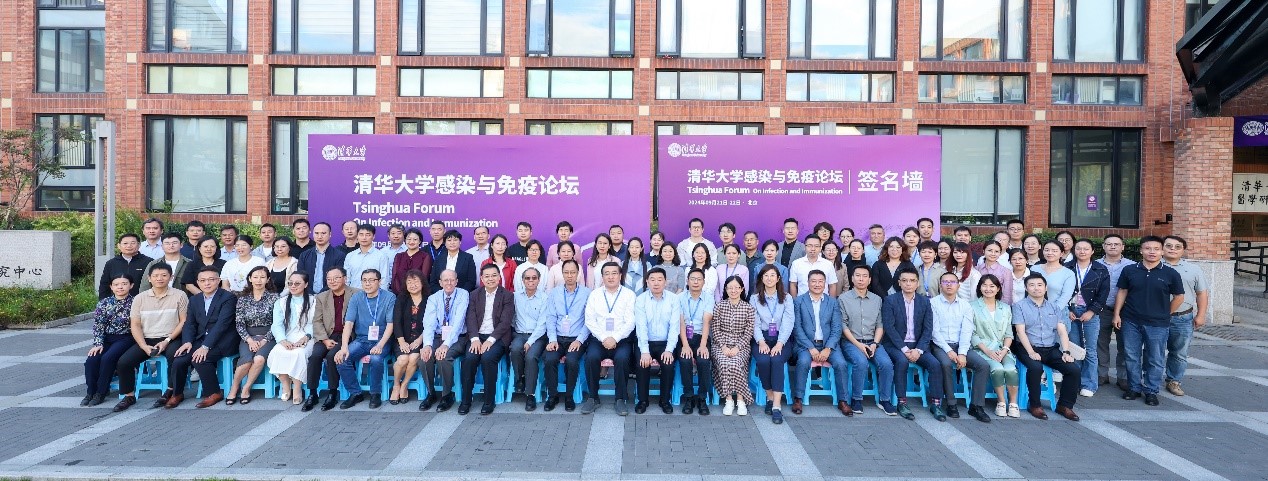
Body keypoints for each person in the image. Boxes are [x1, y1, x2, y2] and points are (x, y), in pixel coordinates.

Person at [1114, 236, 1184, 407]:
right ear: (1141, 250)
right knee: (1131, 356)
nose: (1152, 252)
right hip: (1131, 320)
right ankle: (1134, 388)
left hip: (1158, 323)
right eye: (1147, 248)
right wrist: (1117, 314)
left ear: (1162, 251)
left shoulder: (1171, 273)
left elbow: (1179, 297)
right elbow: (1122, 292)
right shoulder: (1130, 270)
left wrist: (1166, 313)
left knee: (1155, 358)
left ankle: (1151, 390)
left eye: (1156, 249)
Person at [112, 263, 187, 412]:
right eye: (155, 276)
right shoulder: (140, 298)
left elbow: (184, 321)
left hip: (172, 337)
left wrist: (167, 341)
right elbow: (135, 324)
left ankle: (172, 391)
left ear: (171, 277)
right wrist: (143, 346)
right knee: (124, 362)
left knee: (175, 357)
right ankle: (129, 395)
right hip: (147, 339)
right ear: (149, 278)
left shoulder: (179, 295)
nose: (160, 278)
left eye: (164, 275)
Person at [1012, 273, 1082, 421]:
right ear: (1026, 288)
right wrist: (1031, 352)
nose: (1036, 288)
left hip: (1050, 348)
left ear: (1045, 288)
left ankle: (1064, 406)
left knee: (1073, 369)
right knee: (1036, 367)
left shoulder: (1054, 307)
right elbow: (1020, 331)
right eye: (1031, 285)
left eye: (1039, 285)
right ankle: (1035, 405)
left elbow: (1062, 331)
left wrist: (1066, 352)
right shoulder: (1019, 306)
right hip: (1026, 347)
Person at [880, 267, 947, 421]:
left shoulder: (925, 302)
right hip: (896, 346)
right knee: (902, 361)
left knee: (935, 364)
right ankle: (902, 402)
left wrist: (919, 349)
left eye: (912, 281)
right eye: (904, 280)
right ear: (899, 283)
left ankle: (936, 404)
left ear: (917, 283)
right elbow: (889, 328)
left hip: (918, 346)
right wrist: (904, 349)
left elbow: (928, 329)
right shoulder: (890, 300)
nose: (908, 284)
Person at [171, 266, 239, 409]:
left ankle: (214, 393)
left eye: (211, 280)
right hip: (201, 339)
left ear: (218, 280)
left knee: (201, 358)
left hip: (223, 340)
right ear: (197, 283)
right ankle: (177, 393)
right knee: (179, 359)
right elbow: (189, 323)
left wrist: (205, 346)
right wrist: (187, 341)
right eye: (202, 280)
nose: (207, 283)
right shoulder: (195, 299)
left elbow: (222, 325)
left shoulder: (228, 298)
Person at [929, 272, 992, 422]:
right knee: (945, 363)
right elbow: (934, 332)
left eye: (952, 282)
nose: (949, 285)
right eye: (945, 282)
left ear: (958, 285)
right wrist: (949, 351)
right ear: (940, 285)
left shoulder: (965, 305)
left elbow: (967, 331)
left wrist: (962, 353)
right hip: (940, 346)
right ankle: (951, 404)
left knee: (983, 365)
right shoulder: (933, 303)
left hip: (961, 345)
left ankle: (976, 406)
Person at [790, 270, 852, 416]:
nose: (817, 284)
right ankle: (798, 398)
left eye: (820, 281)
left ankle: (843, 401)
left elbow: (837, 328)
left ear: (825, 284)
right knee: (803, 362)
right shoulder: (798, 301)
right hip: (805, 345)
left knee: (841, 363)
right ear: (808, 282)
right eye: (813, 281)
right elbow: (797, 328)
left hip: (828, 345)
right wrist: (810, 347)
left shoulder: (832, 302)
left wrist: (828, 348)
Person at [335, 269, 396, 409]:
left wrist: (380, 345)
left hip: (382, 340)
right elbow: (349, 323)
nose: (367, 284)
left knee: (376, 359)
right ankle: (355, 393)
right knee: (342, 358)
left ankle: (375, 393)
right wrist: (344, 347)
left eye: (371, 280)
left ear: (379, 282)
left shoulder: (389, 297)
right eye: (364, 280)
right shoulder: (356, 298)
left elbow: (390, 325)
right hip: (362, 339)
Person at [838, 265, 894, 415]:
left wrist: (875, 343)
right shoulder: (843, 299)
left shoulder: (877, 300)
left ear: (869, 280)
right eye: (857, 276)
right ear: (852, 278)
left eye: (864, 276)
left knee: (886, 364)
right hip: (851, 342)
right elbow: (843, 326)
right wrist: (858, 345)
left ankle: (885, 400)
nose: (861, 279)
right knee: (861, 362)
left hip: (873, 341)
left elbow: (880, 324)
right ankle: (856, 399)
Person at [582, 262, 637, 415]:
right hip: (599, 339)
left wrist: (615, 338)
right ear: (602, 277)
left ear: (620, 276)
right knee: (591, 358)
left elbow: (630, 322)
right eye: (607, 273)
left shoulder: (629, 295)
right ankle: (593, 397)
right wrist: (604, 338)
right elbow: (590, 320)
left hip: (621, 340)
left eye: (614, 273)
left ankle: (620, 399)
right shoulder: (595, 295)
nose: (611, 276)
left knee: (622, 359)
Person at [462, 264, 515, 415]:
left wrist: (490, 340)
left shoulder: (507, 296)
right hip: (477, 336)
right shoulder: (474, 294)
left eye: (493, 275)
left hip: (497, 337)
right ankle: (466, 401)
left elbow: (505, 322)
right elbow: (470, 318)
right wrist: (474, 339)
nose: (490, 279)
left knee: (487, 358)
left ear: (499, 277)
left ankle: (488, 401)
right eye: (487, 276)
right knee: (469, 359)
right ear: (482, 279)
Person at [303, 267, 359, 411]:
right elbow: (317, 321)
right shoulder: (322, 297)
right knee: (314, 357)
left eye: (336, 278)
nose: (332, 281)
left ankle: (332, 393)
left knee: (332, 356)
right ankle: (312, 393)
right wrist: (324, 339)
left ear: (345, 278)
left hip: (347, 336)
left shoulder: (356, 294)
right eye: (329, 279)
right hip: (327, 336)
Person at [1162, 235, 1210, 397]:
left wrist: (1201, 315)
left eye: (1177, 247)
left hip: (1182, 317)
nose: (1172, 249)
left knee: (1179, 352)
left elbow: (1201, 293)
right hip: (1156, 317)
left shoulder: (1193, 269)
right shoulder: (1153, 266)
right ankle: (1150, 380)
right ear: (1162, 248)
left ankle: (1174, 381)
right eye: (1168, 246)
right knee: (1153, 351)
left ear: (1183, 250)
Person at [225, 266, 279, 405]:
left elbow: (277, 323)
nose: (258, 280)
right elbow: (239, 324)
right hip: (248, 336)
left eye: (262, 277)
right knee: (247, 360)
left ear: (268, 279)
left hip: (269, 336)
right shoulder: (243, 299)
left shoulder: (275, 298)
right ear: (250, 279)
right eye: (255, 277)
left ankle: (246, 388)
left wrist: (265, 339)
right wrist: (249, 340)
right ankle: (234, 388)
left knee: (259, 359)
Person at [543, 260, 591, 412]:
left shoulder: (587, 293)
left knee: (571, 360)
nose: (569, 276)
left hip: (577, 338)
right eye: (566, 272)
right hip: (557, 338)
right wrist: (552, 339)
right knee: (549, 359)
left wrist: (579, 340)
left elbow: (589, 320)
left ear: (578, 274)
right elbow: (550, 318)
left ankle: (569, 396)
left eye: (573, 272)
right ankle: (552, 396)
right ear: (562, 274)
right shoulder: (554, 293)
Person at [419, 270, 469, 412]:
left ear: (457, 281)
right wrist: (427, 345)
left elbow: (458, 323)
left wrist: (446, 345)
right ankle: (431, 393)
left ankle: (447, 395)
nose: (449, 283)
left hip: (458, 337)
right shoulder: (433, 298)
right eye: (445, 280)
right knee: (424, 358)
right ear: (440, 283)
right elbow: (429, 323)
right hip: (437, 336)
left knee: (443, 357)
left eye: (452, 280)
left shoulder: (463, 294)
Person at [1065, 239, 1110, 398]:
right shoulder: (1067, 267)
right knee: (1074, 348)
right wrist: (1067, 310)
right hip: (1071, 310)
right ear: (1074, 250)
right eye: (1079, 248)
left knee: (1090, 349)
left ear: (1092, 251)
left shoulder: (1101, 269)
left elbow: (1103, 294)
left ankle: (1089, 383)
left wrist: (1091, 311)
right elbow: (1062, 291)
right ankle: (1075, 381)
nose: (1082, 251)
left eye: (1086, 249)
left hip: (1090, 311)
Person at [82, 273, 135, 406]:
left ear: (131, 285)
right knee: (92, 360)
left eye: (124, 284)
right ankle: (90, 392)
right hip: (107, 338)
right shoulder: (104, 303)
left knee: (108, 358)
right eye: (116, 284)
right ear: (111, 287)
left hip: (126, 338)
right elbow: (98, 325)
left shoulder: (135, 302)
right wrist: (98, 343)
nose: (120, 287)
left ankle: (101, 392)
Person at [972, 274, 1020, 418]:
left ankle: (1013, 403)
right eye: (984, 285)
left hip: (1002, 349)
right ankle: (1001, 402)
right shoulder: (972, 306)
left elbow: (1009, 334)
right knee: (997, 369)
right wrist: (988, 351)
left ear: (998, 288)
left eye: (992, 286)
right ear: (980, 288)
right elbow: (972, 334)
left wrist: (1005, 350)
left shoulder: (1005, 308)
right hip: (982, 349)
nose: (988, 289)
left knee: (1011, 369)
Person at [633, 268, 680, 414]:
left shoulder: (674, 299)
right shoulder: (641, 299)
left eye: (660, 280)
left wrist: (669, 350)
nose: (656, 283)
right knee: (642, 364)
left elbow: (674, 327)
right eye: (652, 280)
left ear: (665, 282)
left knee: (668, 364)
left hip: (666, 343)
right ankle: (643, 400)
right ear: (647, 282)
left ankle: (665, 400)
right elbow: (641, 327)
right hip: (645, 342)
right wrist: (645, 351)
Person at [751, 264, 794, 423]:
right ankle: (770, 396)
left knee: (776, 360)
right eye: (766, 275)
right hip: (761, 337)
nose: (769, 278)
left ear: (778, 278)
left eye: (772, 275)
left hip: (782, 338)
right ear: (761, 278)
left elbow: (788, 322)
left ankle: (776, 406)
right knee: (763, 360)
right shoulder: (755, 299)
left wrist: (780, 343)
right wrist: (761, 342)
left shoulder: (787, 298)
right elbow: (754, 323)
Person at [268, 271, 315, 405]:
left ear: (306, 284)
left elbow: (316, 323)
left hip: (308, 337)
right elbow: (277, 324)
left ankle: (297, 388)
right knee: (278, 352)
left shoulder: (314, 301)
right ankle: (286, 385)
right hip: (287, 336)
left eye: (297, 283)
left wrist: (306, 337)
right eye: (290, 283)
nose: (293, 286)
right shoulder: (281, 302)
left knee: (299, 353)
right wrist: (282, 340)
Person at [1097, 234, 1136, 390]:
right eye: (1109, 244)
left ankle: (1123, 377)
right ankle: (1101, 374)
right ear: (1103, 246)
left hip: (1126, 311)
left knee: (1125, 345)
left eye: (1116, 244)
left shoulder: (1132, 266)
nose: (1112, 246)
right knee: (1100, 343)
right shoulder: (1095, 264)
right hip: (1101, 310)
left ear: (1123, 247)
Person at [712, 276, 755, 416]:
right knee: (724, 362)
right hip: (720, 345)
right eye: (730, 287)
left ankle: (741, 399)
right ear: (725, 289)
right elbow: (715, 329)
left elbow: (748, 332)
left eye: (737, 287)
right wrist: (723, 347)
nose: (733, 290)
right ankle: (729, 399)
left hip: (741, 345)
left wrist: (737, 348)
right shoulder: (719, 306)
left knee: (736, 363)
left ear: (742, 289)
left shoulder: (748, 308)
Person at [510, 267, 549, 410]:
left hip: (537, 336)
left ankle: (530, 395)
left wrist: (530, 341)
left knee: (531, 357)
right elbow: (511, 317)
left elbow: (542, 324)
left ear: (539, 280)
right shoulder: (515, 296)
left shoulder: (544, 298)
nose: (530, 281)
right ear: (522, 280)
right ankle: (520, 378)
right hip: (519, 334)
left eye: (534, 278)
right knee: (515, 349)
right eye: (527, 278)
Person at [389, 270, 428, 405]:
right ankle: (396, 385)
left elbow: (432, 323)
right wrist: (401, 341)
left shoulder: (429, 299)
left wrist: (420, 339)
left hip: (421, 338)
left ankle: (404, 384)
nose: (413, 285)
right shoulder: (401, 298)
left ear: (422, 283)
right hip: (402, 338)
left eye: (416, 281)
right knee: (403, 359)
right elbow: (396, 321)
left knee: (413, 357)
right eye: (409, 282)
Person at [298, 222, 348, 295]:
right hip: (307, 295)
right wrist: (310, 293)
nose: (319, 236)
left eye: (323, 233)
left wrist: (322, 295)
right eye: (316, 233)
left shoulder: (339, 255)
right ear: (313, 234)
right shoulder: (304, 255)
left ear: (330, 234)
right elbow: (301, 277)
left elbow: (338, 278)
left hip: (330, 295)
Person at [98, 233, 152, 299]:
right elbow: (104, 285)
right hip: (116, 302)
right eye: (125, 243)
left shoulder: (149, 262)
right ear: (119, 246)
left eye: (133, 243)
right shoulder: (111, 263)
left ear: (139, 245)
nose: (129, 246)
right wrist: (103, 302)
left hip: (142, 301)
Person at [345, 224, 393, 290]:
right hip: (354, 293)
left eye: (368, 235)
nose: (364, 238)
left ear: (373, 237)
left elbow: (384, 280)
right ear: (357, 236)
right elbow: (347, 279)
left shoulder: (381, 256)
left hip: (374, 294)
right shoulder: (350, 256)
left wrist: (381, 295)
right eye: (361, 234)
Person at [1031, 240, 1076, 307]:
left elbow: (1065, 297)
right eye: (1047, 250)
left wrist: (1051, 311)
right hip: (1033, 308)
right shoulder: (1034, 268)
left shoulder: (1068, 273)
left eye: (1054, 251)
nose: (1050, 253)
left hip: (1058, 310)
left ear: (1061, 253)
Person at [390, 228, 433, 297]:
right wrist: (401, 293)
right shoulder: (399, 256)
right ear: (405, 240)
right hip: (400, 295)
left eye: (415, 239)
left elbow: (424, 278)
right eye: (409, 239)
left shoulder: (425, 256)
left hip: (419, 295)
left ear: (420, 241)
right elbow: (395, 277)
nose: (411, 242)